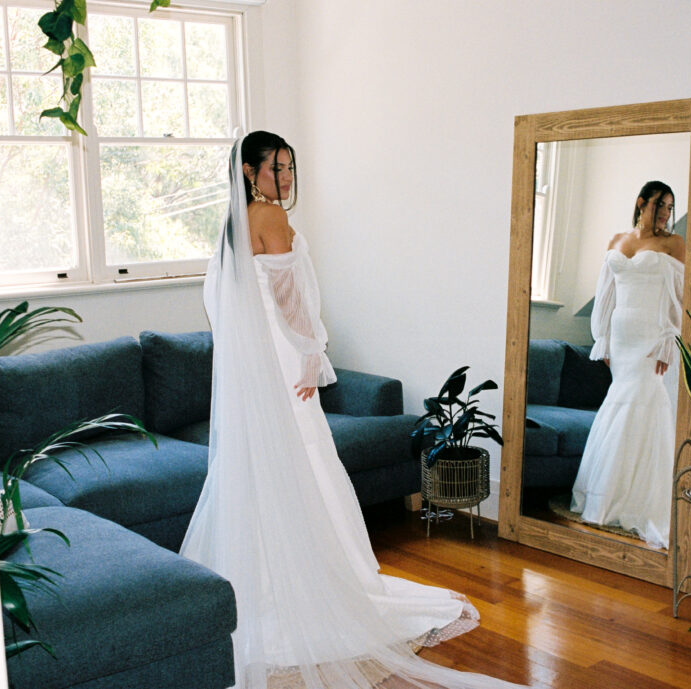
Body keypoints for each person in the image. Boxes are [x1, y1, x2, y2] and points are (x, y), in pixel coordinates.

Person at [181, 132, 528, 689]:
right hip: (286, 367)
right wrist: (313, 355)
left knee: (265, 474)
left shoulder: (230, 224)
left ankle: (263, 584)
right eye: (276, 168)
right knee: (304, 468)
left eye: (291, 168)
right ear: (249, 171)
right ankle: (309, 586)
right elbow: (294, 302)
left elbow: (226, 308)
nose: (286, 179)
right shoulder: (270, 217)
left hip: (257, 373)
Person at [569, 180, 685, 549]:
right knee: (618, 404)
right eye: (660, 205)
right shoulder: (618, 240)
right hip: (621, 338)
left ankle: (639, 501)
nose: (666, 214)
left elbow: (681, 295)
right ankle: (607, 495)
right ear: (641, 203)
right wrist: (601, 336)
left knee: (646, 403)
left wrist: (670, 338)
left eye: (670, 207)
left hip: (652, 338)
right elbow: (606, 293)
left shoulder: (674, 244)